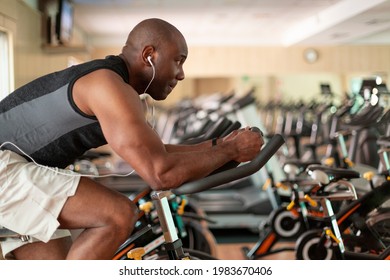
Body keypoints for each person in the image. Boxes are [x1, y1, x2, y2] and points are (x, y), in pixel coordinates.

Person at [0, 18, 264, 260]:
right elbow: (161, 173)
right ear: (149, 55)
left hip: (18, 169)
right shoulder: (109, 86)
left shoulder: (111, 82)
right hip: (5, 167)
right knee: (117, 214)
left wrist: (218, 146)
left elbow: (156, 152)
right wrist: (231, 152)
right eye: (178, 61)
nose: (181, 74)